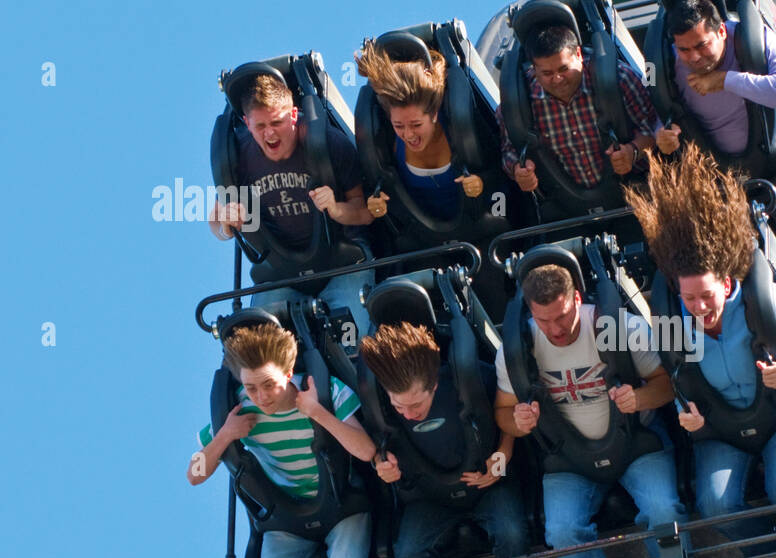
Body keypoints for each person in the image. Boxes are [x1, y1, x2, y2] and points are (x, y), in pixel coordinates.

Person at [625, 144, 776, 558]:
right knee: (716, 504)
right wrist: (687, 414)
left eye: (707, 297)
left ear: (729, 282)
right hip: (725, 425)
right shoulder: (676, 322)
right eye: (689, 299)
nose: (699, 308)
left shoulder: (762, 302)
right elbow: (678, 380)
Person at [493, 264, 701, 558]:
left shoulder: (618, 328)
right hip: (569, 457)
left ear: (576, 299)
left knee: (661, 509)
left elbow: (668, 385)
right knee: (562, 531)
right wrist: (519, 422)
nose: (556, 330)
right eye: (544, 321)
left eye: (562, 316)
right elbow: (502, 412)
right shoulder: (517, 350)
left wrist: (638, 398)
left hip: (636, 442)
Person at [188, 322, 384, 558]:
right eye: (251, 387)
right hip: (289, 516)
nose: (261, 396)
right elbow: (195, 474)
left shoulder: (321, 393)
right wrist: (226, 434)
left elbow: (366, 451)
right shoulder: (240, 410)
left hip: (340, 503)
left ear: (289, 373)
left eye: (269, 385)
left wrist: (317, 413)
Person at [359, 321, 541, 558]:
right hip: (431, 496)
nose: (408, 415)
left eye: (416, 405)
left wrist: (501, 459)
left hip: (487, 483)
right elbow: (377, 450)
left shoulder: (472, 379)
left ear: (435, 383)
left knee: (511, 532)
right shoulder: (381, 406)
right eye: (401, 408)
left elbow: (505, 414)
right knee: (409, 554)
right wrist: (383, 465)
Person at [655, 0, 776, 278]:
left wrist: (726, 80)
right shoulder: (665, 65)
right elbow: (652, 111)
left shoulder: (754, 38)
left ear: (721, 31)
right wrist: (661, 134)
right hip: (720, 176)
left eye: (702, 45)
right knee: (728, 262)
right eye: (685, 50)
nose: (695, 58)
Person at [208, 73, 374, 343]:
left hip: (343, 264)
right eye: (260, 125)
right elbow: (216, 222)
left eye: (277, 122)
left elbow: (367, 211)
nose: (269, 133)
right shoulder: (239, 160)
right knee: (263, 354)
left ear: (294, 115)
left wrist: (336, 208)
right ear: (247, 124)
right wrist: (225, 225)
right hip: (281, 273)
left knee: (352, 347)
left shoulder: (329, 145)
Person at [495, 24, 657, 195]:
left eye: (564, 69)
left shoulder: (618, 79)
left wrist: (632, 151)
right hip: (564, 205)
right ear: (534, 70)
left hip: (634, 192)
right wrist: (518, 170)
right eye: (547, 73)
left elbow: (653, 127)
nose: (557, 79)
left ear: (579, 55)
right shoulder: (516, 102)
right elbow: (508, 151)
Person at [354, 40, 486, 224]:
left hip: (479, 228)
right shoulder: (385, 143)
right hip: (425, 243)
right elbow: (375, 184)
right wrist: (377, 201)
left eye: (416, 125)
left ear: (434, 113)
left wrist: (481, 183)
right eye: (399, 126)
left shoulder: (460, 128)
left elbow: (497, 167)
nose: (408, 135)